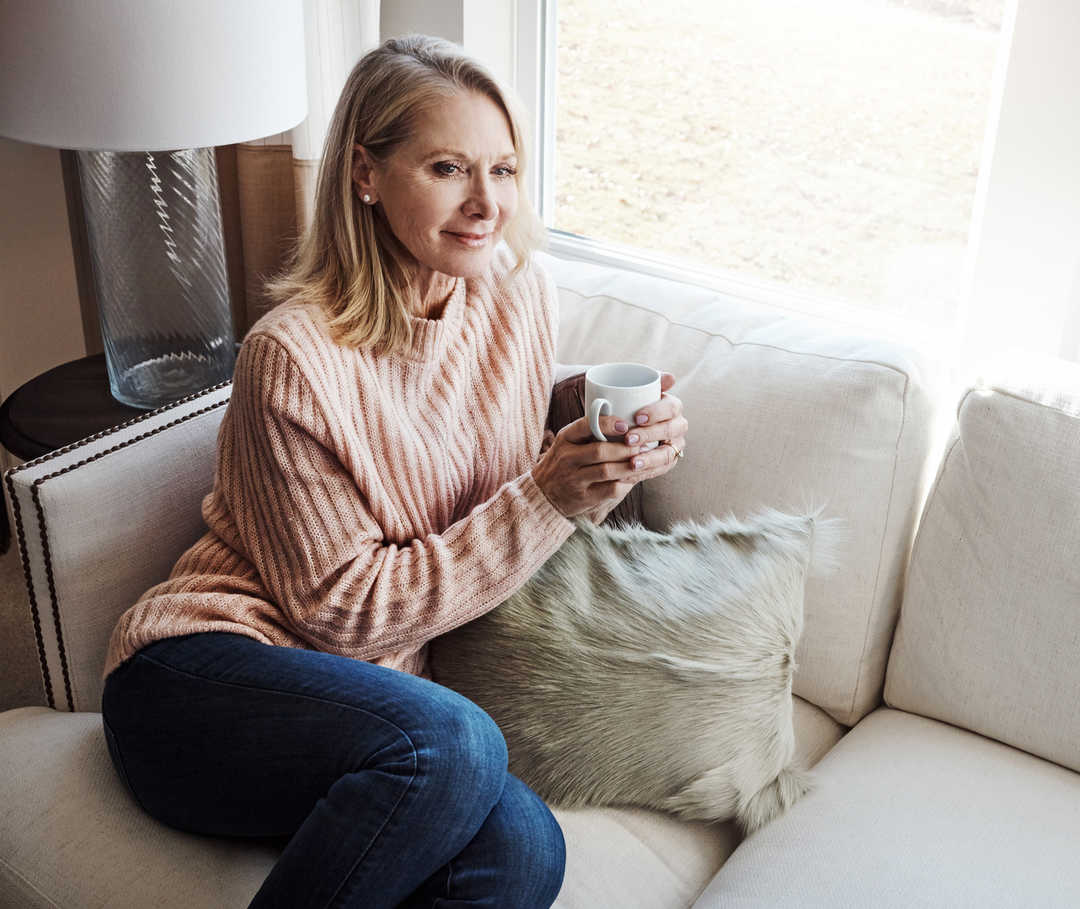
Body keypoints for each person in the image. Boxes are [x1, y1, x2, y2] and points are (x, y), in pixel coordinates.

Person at [100, 34, 688, 908]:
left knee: (527, 848)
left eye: (504, 169)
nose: (486, 203)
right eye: (449, 167)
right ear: (366, 174)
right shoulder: (292, 358)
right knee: (459, 742)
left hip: (372, 720)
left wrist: (599, 435)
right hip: (202, 679)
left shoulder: (515, 292)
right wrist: (546, 498)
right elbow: (342, 615)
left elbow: (475, 435)